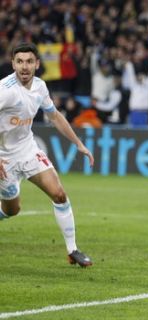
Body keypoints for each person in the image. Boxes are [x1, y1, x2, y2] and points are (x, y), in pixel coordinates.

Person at [0, 43, 94, 267]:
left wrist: (79, 143)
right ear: (13, 63)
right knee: (12, 210)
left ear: (37, 64)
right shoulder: (5, 90)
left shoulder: (40, 87)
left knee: (59, 194)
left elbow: (54, 116)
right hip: (4, 157)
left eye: (29, 61)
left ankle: (72, 250)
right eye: (20, 61)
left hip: (28, 149)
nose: (24, 67)